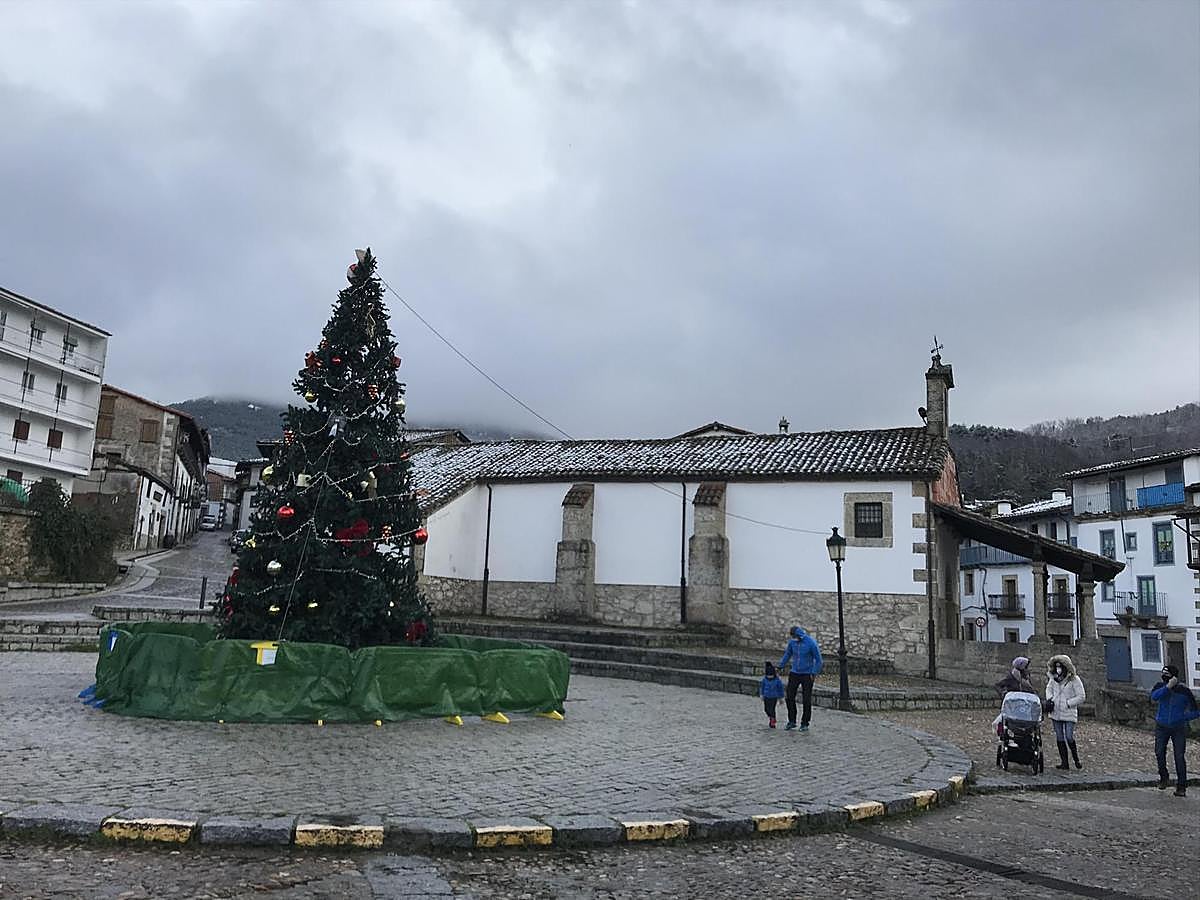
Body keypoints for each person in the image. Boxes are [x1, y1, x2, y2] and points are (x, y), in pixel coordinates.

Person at [1151, 664, 1199, 797]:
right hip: (1161, 726)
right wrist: (1167, 687)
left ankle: (1181, 786)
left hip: (1178, 727)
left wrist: (1183, 717)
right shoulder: (1160, 687)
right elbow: (1154, 697)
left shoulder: (1184, 691)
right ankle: (1164, 777)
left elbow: (1195, 711)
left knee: (1179, 756)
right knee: (1159, 752)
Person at [1045, 654, 1085, 770]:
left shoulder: (1074, 680)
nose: (1058, 669)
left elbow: (1081, 696)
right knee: (1059, 737)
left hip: (1068, 711)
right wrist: (1050, 698)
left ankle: (1076, 759)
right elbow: (1048, 689)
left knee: (1069, 736)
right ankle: (1064, 762)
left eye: (1060, 666)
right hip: (1056, 711)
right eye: (1056, 666)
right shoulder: (1053, 679)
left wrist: (1068, 703)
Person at [778, 625, 823, 732]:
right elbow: (787, 654)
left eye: (794, 636)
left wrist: (814, 672)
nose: (793, 638)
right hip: (794, 673)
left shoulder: (811, 643)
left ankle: (805, 723)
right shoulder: (792, 643)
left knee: (806, 699)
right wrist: (781, 666)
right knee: (789, 697)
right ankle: (792, 720)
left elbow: (819, 660)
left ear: (799, 635)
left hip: (807, 674)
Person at [759, 661, 785, 729]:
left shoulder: (777, 681)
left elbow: (780, 689)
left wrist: (781, 698)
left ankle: (773, 719)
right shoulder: (764, 680)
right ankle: (771, 717)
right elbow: (762, 687)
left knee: (772, 709)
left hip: (774, 697)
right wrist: (762, 694)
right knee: (766, 709)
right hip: (766, 696)